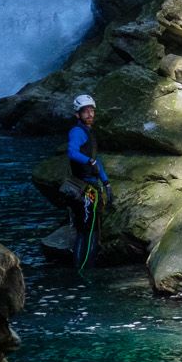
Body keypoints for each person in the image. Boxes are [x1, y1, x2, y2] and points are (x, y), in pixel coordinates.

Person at [62, 93, 109, 268]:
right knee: (86, 231)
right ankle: (83, 270)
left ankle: (85, 267)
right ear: (77, 114)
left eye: (91, 110)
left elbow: (97, 160)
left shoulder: (89, 133)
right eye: (85, 111)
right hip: (84, 188)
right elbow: (72, 152)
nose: (89, 114)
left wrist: (106, 183)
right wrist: (89, 161)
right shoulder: (77, 132)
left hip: (92, 187)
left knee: (90, 229)